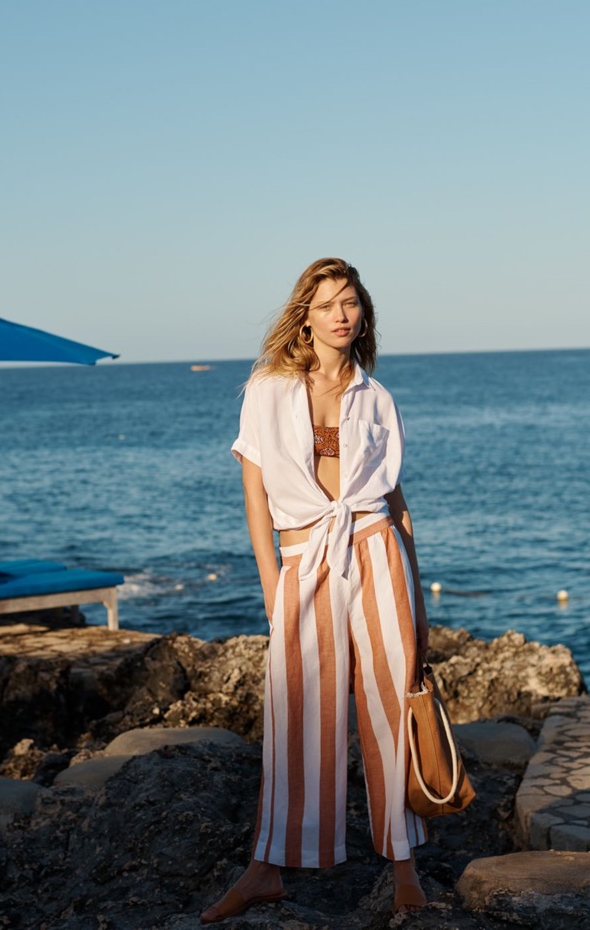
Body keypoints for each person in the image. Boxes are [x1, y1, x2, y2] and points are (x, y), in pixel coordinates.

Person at [200, 258, 429, 924]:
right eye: (326, 303)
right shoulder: (267, 389)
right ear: (305, 313)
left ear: (363, 314)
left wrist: (418, 597)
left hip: (378, 551)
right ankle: (266, 868)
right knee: (296, 715)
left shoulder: (376, 397)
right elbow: (253, 491)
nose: (339, 314)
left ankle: (405, 869)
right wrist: (273, 582)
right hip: (305, 559)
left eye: (350, 302)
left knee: (391, 708)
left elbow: (395, 498)